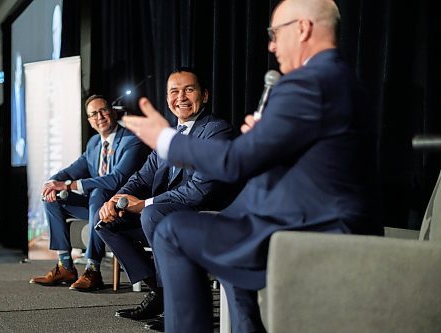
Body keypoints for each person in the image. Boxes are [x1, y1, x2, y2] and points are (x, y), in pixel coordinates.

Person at [122, 0, 384, 332]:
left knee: (173, 231)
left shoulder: (307, 82)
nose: (272, 45)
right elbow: (311, 159)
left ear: (303, 28)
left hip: (316, 227)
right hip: (313, 215)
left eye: (275, 34)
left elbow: (233, 162)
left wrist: (165, 139)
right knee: (228, 241)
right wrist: (263, 139)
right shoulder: (339, 79)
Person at [95, 68, 236, 331]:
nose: (180, 97)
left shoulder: (216, 131)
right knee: (106, 222)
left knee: (152, 213)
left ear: (204, 96)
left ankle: (177, 302)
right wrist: (115, 200)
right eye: (174, 91)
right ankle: (160, 292)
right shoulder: (168, 135)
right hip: (168, 217)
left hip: (206, 217)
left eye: (189, 90)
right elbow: (141, 177)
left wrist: (145, 204)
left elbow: (199, 192)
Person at [30, 95, 149, 292]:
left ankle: (93, 269)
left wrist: (68, 185)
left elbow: (116, 179)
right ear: (89, 120)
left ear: (112, 111)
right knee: (51, 199)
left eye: (103, 110)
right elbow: (72, 169)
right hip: (97, 209)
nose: (99, 116)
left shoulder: (131, 141)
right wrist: (51, 182)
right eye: (93, 114)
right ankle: (65, 266)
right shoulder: (94, 143)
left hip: (123, 209)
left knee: (98, 192)